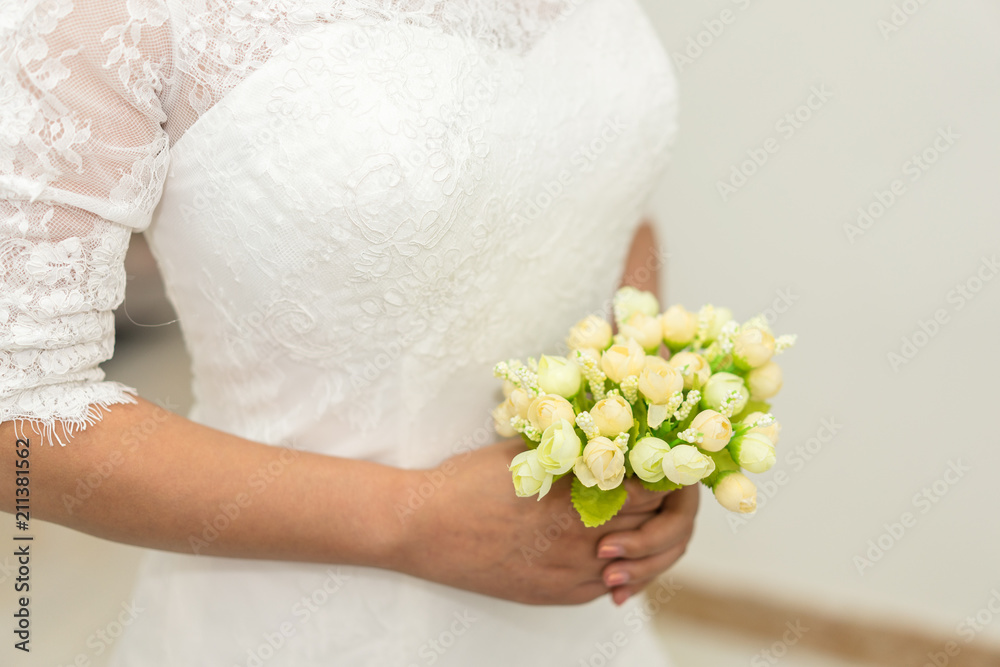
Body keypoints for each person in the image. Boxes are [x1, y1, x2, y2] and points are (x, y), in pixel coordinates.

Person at [0, 0, 696, 664]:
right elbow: (18, 412)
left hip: (575, 612)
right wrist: (410, 519)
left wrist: (642, 436)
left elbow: (612, 205)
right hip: (298, 617)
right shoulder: (116, 19)